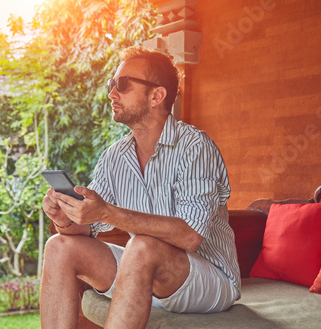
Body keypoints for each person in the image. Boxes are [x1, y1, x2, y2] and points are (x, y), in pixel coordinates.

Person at [40, 46, 240, 329]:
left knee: (143, 245)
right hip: (144, 271)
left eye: (122, 84)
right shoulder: (115, 156)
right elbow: (88, 228)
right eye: (112, 85)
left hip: (207, 279)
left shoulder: (195, 147)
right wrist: (66, 219)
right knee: (59, 246)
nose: (112, 94)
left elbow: (190, 236)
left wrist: (107, 212)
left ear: (156, 95)